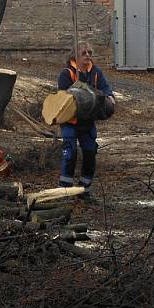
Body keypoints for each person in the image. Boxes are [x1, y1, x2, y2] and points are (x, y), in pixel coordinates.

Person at [57, 44, 115, 196]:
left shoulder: (95, 72)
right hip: (71, 121)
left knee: (90, 153)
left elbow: (105, 88)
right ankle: (65, 190)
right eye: (84, 53)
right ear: (75, 55)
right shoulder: (67, 73)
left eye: (90, 52)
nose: (88, 55)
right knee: (70, 153)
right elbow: (63, 96)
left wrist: (110, 97)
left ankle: (85, 190)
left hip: (88, 121)